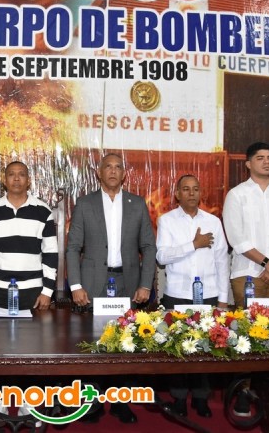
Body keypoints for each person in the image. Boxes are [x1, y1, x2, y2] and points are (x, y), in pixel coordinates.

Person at [65, 152, 157, 424]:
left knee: (124, 343)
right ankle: (91, 403)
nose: (113, 171)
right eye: (108, 167)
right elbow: (73, 247)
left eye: (118, 167)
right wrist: (75, 285)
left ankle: (120, 402)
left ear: (124, 174)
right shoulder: (85, 203)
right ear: (99, 172)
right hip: (93, 283)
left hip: (128, 283)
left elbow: (148, 247)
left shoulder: (137, 204)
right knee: (92, 343)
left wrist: (145, 284)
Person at [222, 142, 269, 417]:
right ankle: (243, 392)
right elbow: (237, 238)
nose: (267, 162)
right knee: (247, 334)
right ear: (248, 164)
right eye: (260, 158)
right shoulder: (237, 195)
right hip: (248, 274)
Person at [156, 174, 229, 419]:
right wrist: (193, 245)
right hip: (177, 295)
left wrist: (223, 300)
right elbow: (162, 257)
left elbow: (222, 262)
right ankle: (178, 398)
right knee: (178, 349)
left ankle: (200, 398)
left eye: (195, 189)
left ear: (201, 193)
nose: (191, 193)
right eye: (186, 189)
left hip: (208, 295)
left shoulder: (213, 222)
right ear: (177, 194)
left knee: (205, 348)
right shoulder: (167, 220)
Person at [0, 161, 57, 311]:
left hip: (34, 293)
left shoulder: (43, 212)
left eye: (21, 174)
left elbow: (51, 254)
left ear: (28, 180)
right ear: (5, 181)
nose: (16, 178)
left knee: (34, 328)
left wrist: (47, 292)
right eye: (11, 174)